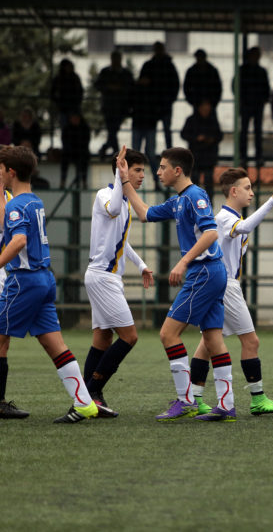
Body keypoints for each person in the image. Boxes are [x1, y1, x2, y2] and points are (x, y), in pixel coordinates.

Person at [122, 147, 234, 422]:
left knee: (168, 334)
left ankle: (186, 401)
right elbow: (144, 213)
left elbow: (210, 233)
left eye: (162, 167)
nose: (157, 172)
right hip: (211, 272)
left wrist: (183, 263)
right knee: (212, 338)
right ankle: (226, 405)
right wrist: (124, 180)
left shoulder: (195, 195)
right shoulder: (178, 200)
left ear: (177, 170)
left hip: (203, 273)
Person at [0, 146, 105, 422]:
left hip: (24, 281)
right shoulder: (34, 201)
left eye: (0, 168)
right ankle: (84, 403)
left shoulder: (15, 204)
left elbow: (19, 240)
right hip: (45, 279)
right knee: (53, 344)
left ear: (10, 171)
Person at [189, 168, 273, 416]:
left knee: (207, 343)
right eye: (247, 188)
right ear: (233, 191)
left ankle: (194, 399)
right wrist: (272, 201)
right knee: (251, 341)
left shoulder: (227, 218)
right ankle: (257, 399)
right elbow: (243, 228)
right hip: (226, 287)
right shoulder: (225, 219)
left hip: (220, 285)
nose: (251, 193)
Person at [83, 147, 153, 414]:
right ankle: (90, 391)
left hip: (107, 278)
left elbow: (122, 240)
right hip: (103, 277)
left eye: (142, 171)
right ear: (121, 169)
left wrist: (142, 264)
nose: (141, 176)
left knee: (102, 339)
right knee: (130, 336)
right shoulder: (106, 196)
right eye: (137, 170)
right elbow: (111, 210)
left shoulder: (125, 202)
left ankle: (88, 397)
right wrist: (119, 175)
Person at [139, 42, 180, 149]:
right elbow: (176, 84)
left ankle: (152, 152)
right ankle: (165, 152)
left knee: (154, 130)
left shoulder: (150, 65)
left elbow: (141, 83)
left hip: (156, 104)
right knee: (161, 130)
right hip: (159, 104)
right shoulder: (169, 66)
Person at [94, 50, 134, 159]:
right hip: (109, 107)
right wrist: (109, 87)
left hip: (120, 107)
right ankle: (116, 153)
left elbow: (131, 88)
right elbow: (98, 85)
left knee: (112, 131)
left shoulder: (125, 74)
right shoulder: (107, 72)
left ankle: (107, 150)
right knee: (113, 130)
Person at [181, 99, 223, 201]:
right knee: (194, 183)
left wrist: (210, 139)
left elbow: (219, 136)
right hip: (196, 158)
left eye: (208, 107)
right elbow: (184, 134)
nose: (206, 110)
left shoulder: (213, 121)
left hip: (209, 158)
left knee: (209, 184)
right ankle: (193, 204)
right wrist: (196, 138)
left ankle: (208, 205)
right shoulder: (191, 120)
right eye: (204, 107)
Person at [237, 47, 271, 166]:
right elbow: (237, 87)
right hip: (247, 104)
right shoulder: (243, 70)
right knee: (244, 131)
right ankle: (243, 155)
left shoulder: (260, 71)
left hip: (257, 105)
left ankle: (258, 156)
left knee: (257, 131)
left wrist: (264, 99)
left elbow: (266, 88)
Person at [131, 73, 161, 184]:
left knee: (139, 155)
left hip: (144, 124)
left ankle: (134, 181)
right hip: (146, 124)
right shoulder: (153, 92)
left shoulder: (136, 91)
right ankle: (156, 180)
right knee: (148, 154)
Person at [50, 58, 83, 130]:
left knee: (75, 128)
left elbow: (80, 91)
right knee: (65, 128)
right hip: (64, 108)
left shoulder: (75, 77)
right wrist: (59, 103)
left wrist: (77, 102)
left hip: (74, 107)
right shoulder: (58, 78)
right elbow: (52, 93)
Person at [59, 113, 90, 189]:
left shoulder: (85, 128)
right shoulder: (66, 128)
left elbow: (86, 142)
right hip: (69, 151)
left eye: (76, 118)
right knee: (64, 157)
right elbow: (64, 142)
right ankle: (63, 181)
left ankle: (84, 182)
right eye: (73, 117)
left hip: (81, 151)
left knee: (84, 157)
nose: (75, 120)